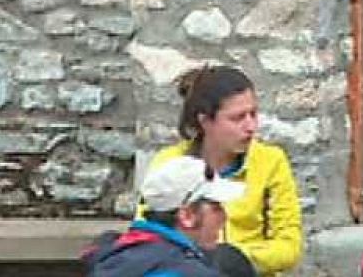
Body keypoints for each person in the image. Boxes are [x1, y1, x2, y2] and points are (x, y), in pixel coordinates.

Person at [147, 65, 303, 275]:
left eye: (253, 114)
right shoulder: (170, 163)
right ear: (205, 121)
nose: (251, 126)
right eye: (238, 118)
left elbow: (289, 247)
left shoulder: (271, 160)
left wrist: (232, 259)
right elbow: (149, 235)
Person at [87, 155, 244, 276]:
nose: (224, 217)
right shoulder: (187, 271)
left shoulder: (116, 254)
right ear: (187, 216)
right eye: (216, 208)